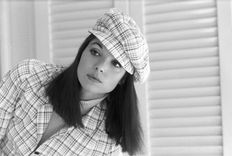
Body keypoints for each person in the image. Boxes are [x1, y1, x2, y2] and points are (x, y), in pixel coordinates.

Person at [0, 8, 150, 156]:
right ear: (83, 51)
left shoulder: (109, 143)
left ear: (123, 79)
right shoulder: (28, 75)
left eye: (116, 64)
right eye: (95, 52)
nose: (100, 67)